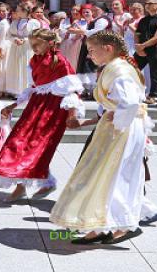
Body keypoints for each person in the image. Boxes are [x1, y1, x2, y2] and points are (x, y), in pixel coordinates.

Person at [50, 31, 150, 245]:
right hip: (119, 126)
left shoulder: (120, 70)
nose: (89, 55)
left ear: (108, 48)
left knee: (112, 175)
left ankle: (120, 225)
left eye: (92, 50)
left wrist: (118, 120)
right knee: (106, 174)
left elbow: (131, 102)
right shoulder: (118, 66)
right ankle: (102, 226)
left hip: (122, 129)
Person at [0, 29, 84, 202]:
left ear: (50, 43)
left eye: (37, 44)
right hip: (35, 106)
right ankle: (36, 182)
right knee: (18, 141)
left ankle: (26, 185)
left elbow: (71, 90)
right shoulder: (34, 60)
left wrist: (72, 114)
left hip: (53, 110)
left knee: (36, 146)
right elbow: (32, 88)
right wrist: (14, 104)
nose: (34, 48)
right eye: (32, 45)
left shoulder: (60, 62)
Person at [72, 2, 111, 96]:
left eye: (96, 10)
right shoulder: (97, 19)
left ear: (103, 10)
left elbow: (96, 32)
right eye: (93, 10)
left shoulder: (103, 20)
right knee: (86, 66)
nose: (94, 12)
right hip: (90, 46)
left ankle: (95, 91)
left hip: (98, 46)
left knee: (92, 67)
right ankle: (88, 90)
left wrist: (81, 31)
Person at [0, 4, 40, 97]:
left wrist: (24, 40)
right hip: (15, 48)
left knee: (26, 68)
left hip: (27, 49)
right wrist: (15, 40)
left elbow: (36, 35)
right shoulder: (14, 22)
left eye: (18, 10)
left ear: (25, 11)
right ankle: (16, 91)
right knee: (15, 68)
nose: (16, 12)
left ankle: (28, 90)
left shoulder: (34, 22)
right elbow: (8, 35)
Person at [134, 0, 157, 104]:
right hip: (141, 49)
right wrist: (138, 47)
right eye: (146, 3)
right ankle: (132, 91)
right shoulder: (143, 19)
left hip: (155, 49)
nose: (148, 5)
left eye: (151, 3)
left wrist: (143, 46)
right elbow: (137, 33)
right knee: (131, 68)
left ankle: (153, 95)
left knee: (155, 72)